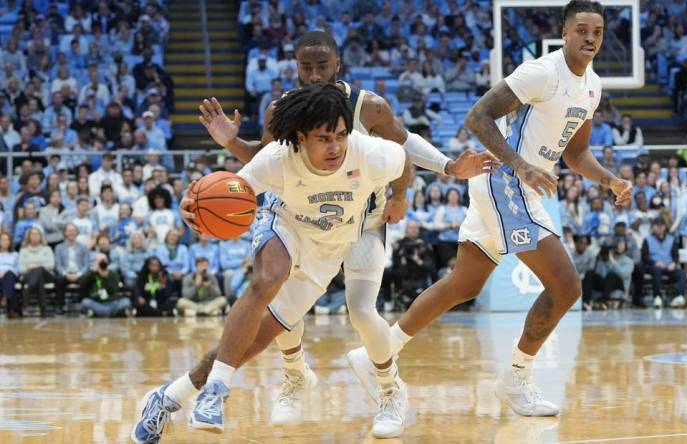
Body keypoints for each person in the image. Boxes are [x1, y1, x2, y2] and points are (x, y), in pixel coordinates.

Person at [172, 30, 495, 429]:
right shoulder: (284, 109)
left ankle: (390, 390)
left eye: (321, 66)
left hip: (364, 219)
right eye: (305, 67)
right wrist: (232, 142)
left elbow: (404, 146)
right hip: (304, 216)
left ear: (337, 65)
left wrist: (411, 190)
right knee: (276, 288)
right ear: (295, 68)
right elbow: (267, 160)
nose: (312, 74)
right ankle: (293, 375)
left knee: (361, 311)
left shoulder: (368, 107)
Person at [347, 0, 632, 418]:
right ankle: (515, 380)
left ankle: (378, 350)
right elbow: (477, 117)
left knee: (465, 284)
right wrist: (521, 165)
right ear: (566, 33)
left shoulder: (592, 86)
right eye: (582, 30)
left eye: (598, 32)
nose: (590, 38)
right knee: (567, 287)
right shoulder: (542, 72)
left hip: (515, 185)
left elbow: (577, 153)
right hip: (505, 181)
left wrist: (609, 179)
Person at [133, 83, 414, 442]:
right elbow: (226, 194)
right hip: (284, 224)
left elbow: (403, 162)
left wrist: (401, 195)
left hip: (326, 253)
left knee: (255, 340)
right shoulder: (278, 158)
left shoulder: (370, 153)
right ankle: (217, 390)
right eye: (324, 138)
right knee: (269, 277)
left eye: (341, 135)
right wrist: (192, 207)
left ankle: (168, 397)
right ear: (301, 137)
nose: (336, 146)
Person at [641, 217, 687, 309]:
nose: (659, 228)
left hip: (668, 266)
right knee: (656, 271)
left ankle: (678, 296)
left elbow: (675, 255)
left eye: (661, 226)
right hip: (653, 265)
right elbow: (644, 257)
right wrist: (655, 263)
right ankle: (657, 297)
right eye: (657, 226)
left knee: (682, 274)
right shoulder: (647, 240)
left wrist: (674, 263)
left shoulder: (671, 239)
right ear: (653, 227)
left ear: (665, 227)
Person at [581, 239, 633, 310]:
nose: (619, 247)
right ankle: (586, 302)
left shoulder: (629, 261)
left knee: (611, 275)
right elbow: (601, 275)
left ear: (626, 247)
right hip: (607, 284)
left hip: (620, 285)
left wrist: (612, 261)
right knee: (590, 273)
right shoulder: (607, 259)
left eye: (622, 245)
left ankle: (604, 301)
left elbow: (623, 275)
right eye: (618, 244)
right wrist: (600, 261)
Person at [79, 252, 131, 318]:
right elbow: (81, 283)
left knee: (126, 301)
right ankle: (110, 314)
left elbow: (114, 289)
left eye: (103, 260)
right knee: (85, 302)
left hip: (112, 302)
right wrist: (92, 272)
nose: (102, 263)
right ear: (95, 262)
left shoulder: (112, 274)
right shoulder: (92, 273)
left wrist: (106, 277)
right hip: (97, 303)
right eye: (99, 261)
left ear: (107, 261)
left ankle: (101, 314)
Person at [18, 227, 55, 317]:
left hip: (47, 275)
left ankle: (28, 291)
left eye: (37, 234)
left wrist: (32, 266)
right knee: (39, 277)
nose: (35, 236)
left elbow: (51, 265)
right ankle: (43, 310)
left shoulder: (47, 249)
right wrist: (39, 265)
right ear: (29, 236)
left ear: (41, 236)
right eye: (32, 234)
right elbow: (21, 269)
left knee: (40, 270)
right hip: (28, 276)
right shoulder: (23, 251)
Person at [54, 224, 90, 312]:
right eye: (69, 231)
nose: (71, 233)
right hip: (66, 273)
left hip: (79, 273)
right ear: (65, 233)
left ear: (77, 233)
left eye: (73, 231)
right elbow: (58, 265)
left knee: (86, 279)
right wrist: (66, 274)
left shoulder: (83, 247)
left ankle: (84, 305)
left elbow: (86, 265)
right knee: (58, 280)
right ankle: (60, 306)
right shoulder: (59, 247)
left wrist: (78, 274)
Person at [0, 232, 21, 318]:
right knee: (9, 285)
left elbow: (18, 269)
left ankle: (5, 298)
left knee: (9, 276)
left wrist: (6, 270)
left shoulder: (15, 254)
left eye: (7, 240)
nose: (5, 242)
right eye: (3, 240)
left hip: (12, 276)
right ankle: (12, 309)